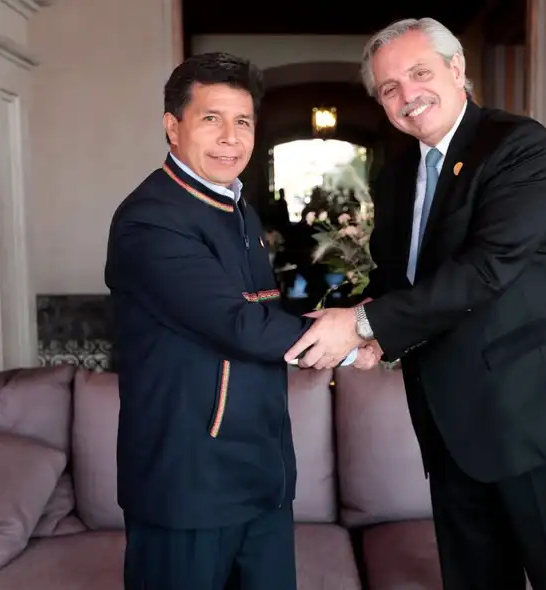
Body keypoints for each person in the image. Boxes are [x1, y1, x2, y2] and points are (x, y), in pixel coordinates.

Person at [285, 18, 546, 590]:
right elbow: (404, 283)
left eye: (419, 73)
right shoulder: (396, 175)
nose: (407, 95)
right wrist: (375, 338)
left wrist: (363, 323)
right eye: (389, 87)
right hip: (449, 420)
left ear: (456, 69)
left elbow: (488, 269)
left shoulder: (518, 145)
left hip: (535, 412)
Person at [104, 52, 371, 590]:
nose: (231, 137)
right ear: (172, 127)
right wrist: (355, 336)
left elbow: (264, 310)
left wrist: (343, 320)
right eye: (211, 119)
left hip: (260, 473)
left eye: (242, 121)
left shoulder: (235, 205)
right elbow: (237, 323)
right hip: (189, 481)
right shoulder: (150, 219)